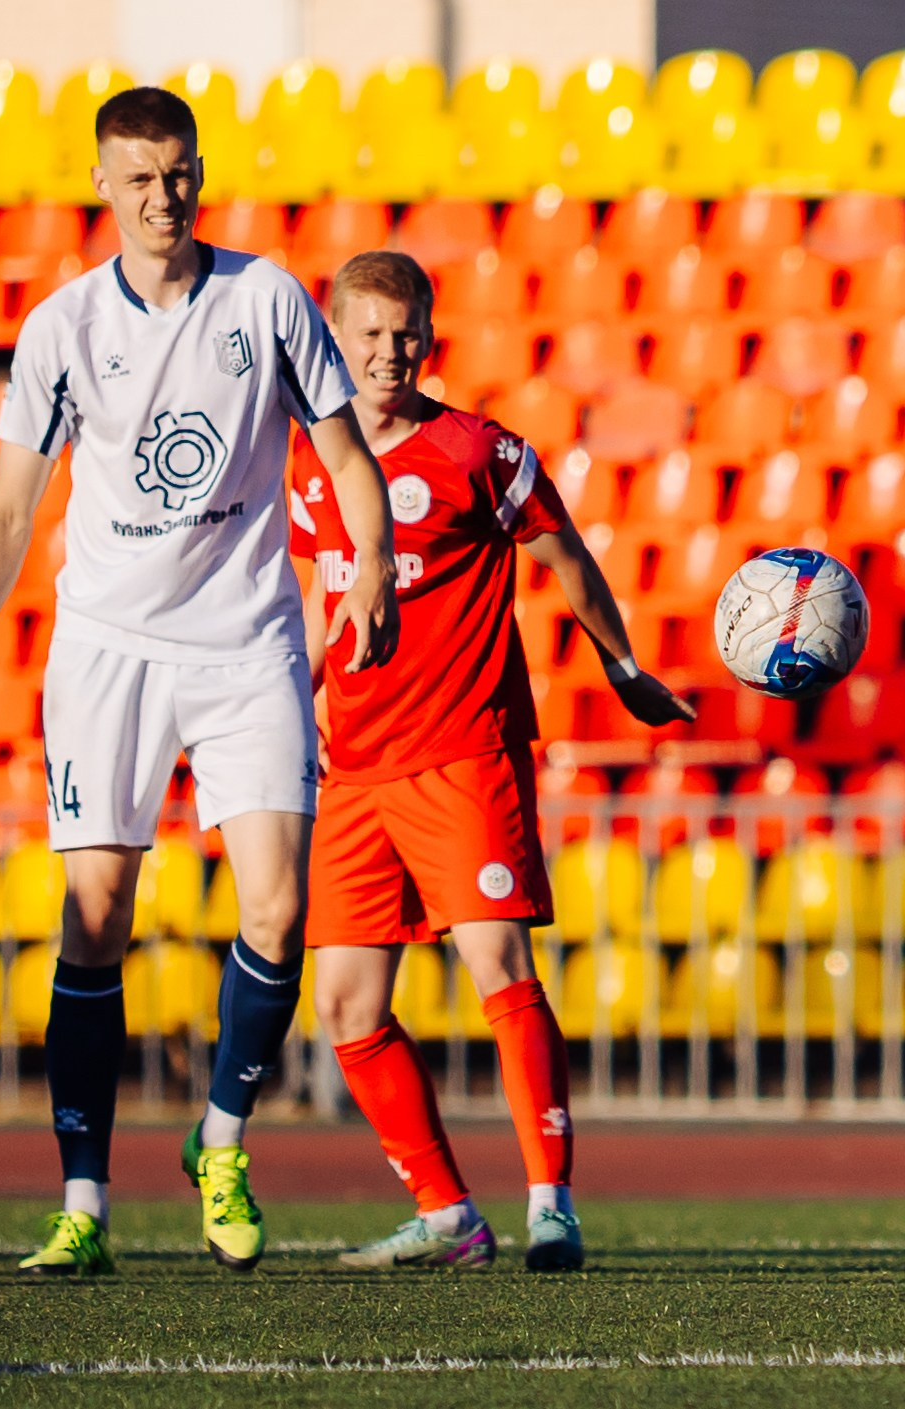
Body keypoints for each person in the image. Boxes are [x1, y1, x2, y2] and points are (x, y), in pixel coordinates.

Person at [0, 89, 398, 1275]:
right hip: (106, 652)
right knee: (93, 920)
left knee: (279, 907)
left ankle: (222, 1140)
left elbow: (346, 455)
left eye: (179, 173)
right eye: (138, 177)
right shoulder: (62, 327)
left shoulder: (268, 298)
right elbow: (6, 509)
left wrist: (372, 564)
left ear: (202, 174)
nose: (162, 195)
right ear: (102, 184)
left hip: (247, 642)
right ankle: (84, 1200)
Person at [290, 251, 692, 1271]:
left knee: (497, 967)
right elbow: (305, 598)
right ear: (335, 338)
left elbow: (562, 554)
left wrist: (623, 662)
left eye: (405, 330)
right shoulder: (302, 463)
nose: (389, 351)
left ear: (429, 333)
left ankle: (549, 1201)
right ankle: (445, 1214)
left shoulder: (477, 450)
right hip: (350, 768)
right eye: (369, 333)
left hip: (463, 751)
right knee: (343, 1003)